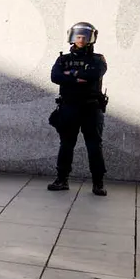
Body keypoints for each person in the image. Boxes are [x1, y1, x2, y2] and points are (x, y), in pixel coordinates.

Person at [48, 21, 107, 196]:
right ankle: (61, 179)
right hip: (69, 108)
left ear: (91, 38)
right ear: (72, 37)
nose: (80, 39)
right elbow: (55, 76)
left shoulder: (98, 59)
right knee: (66, 145)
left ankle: (98, 183)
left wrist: (69, 75)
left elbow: (94, 74)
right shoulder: (63, 59)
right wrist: (77, 77)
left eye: (84, 36)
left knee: (94, 146)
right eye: (78, 36)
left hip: (91, 108)